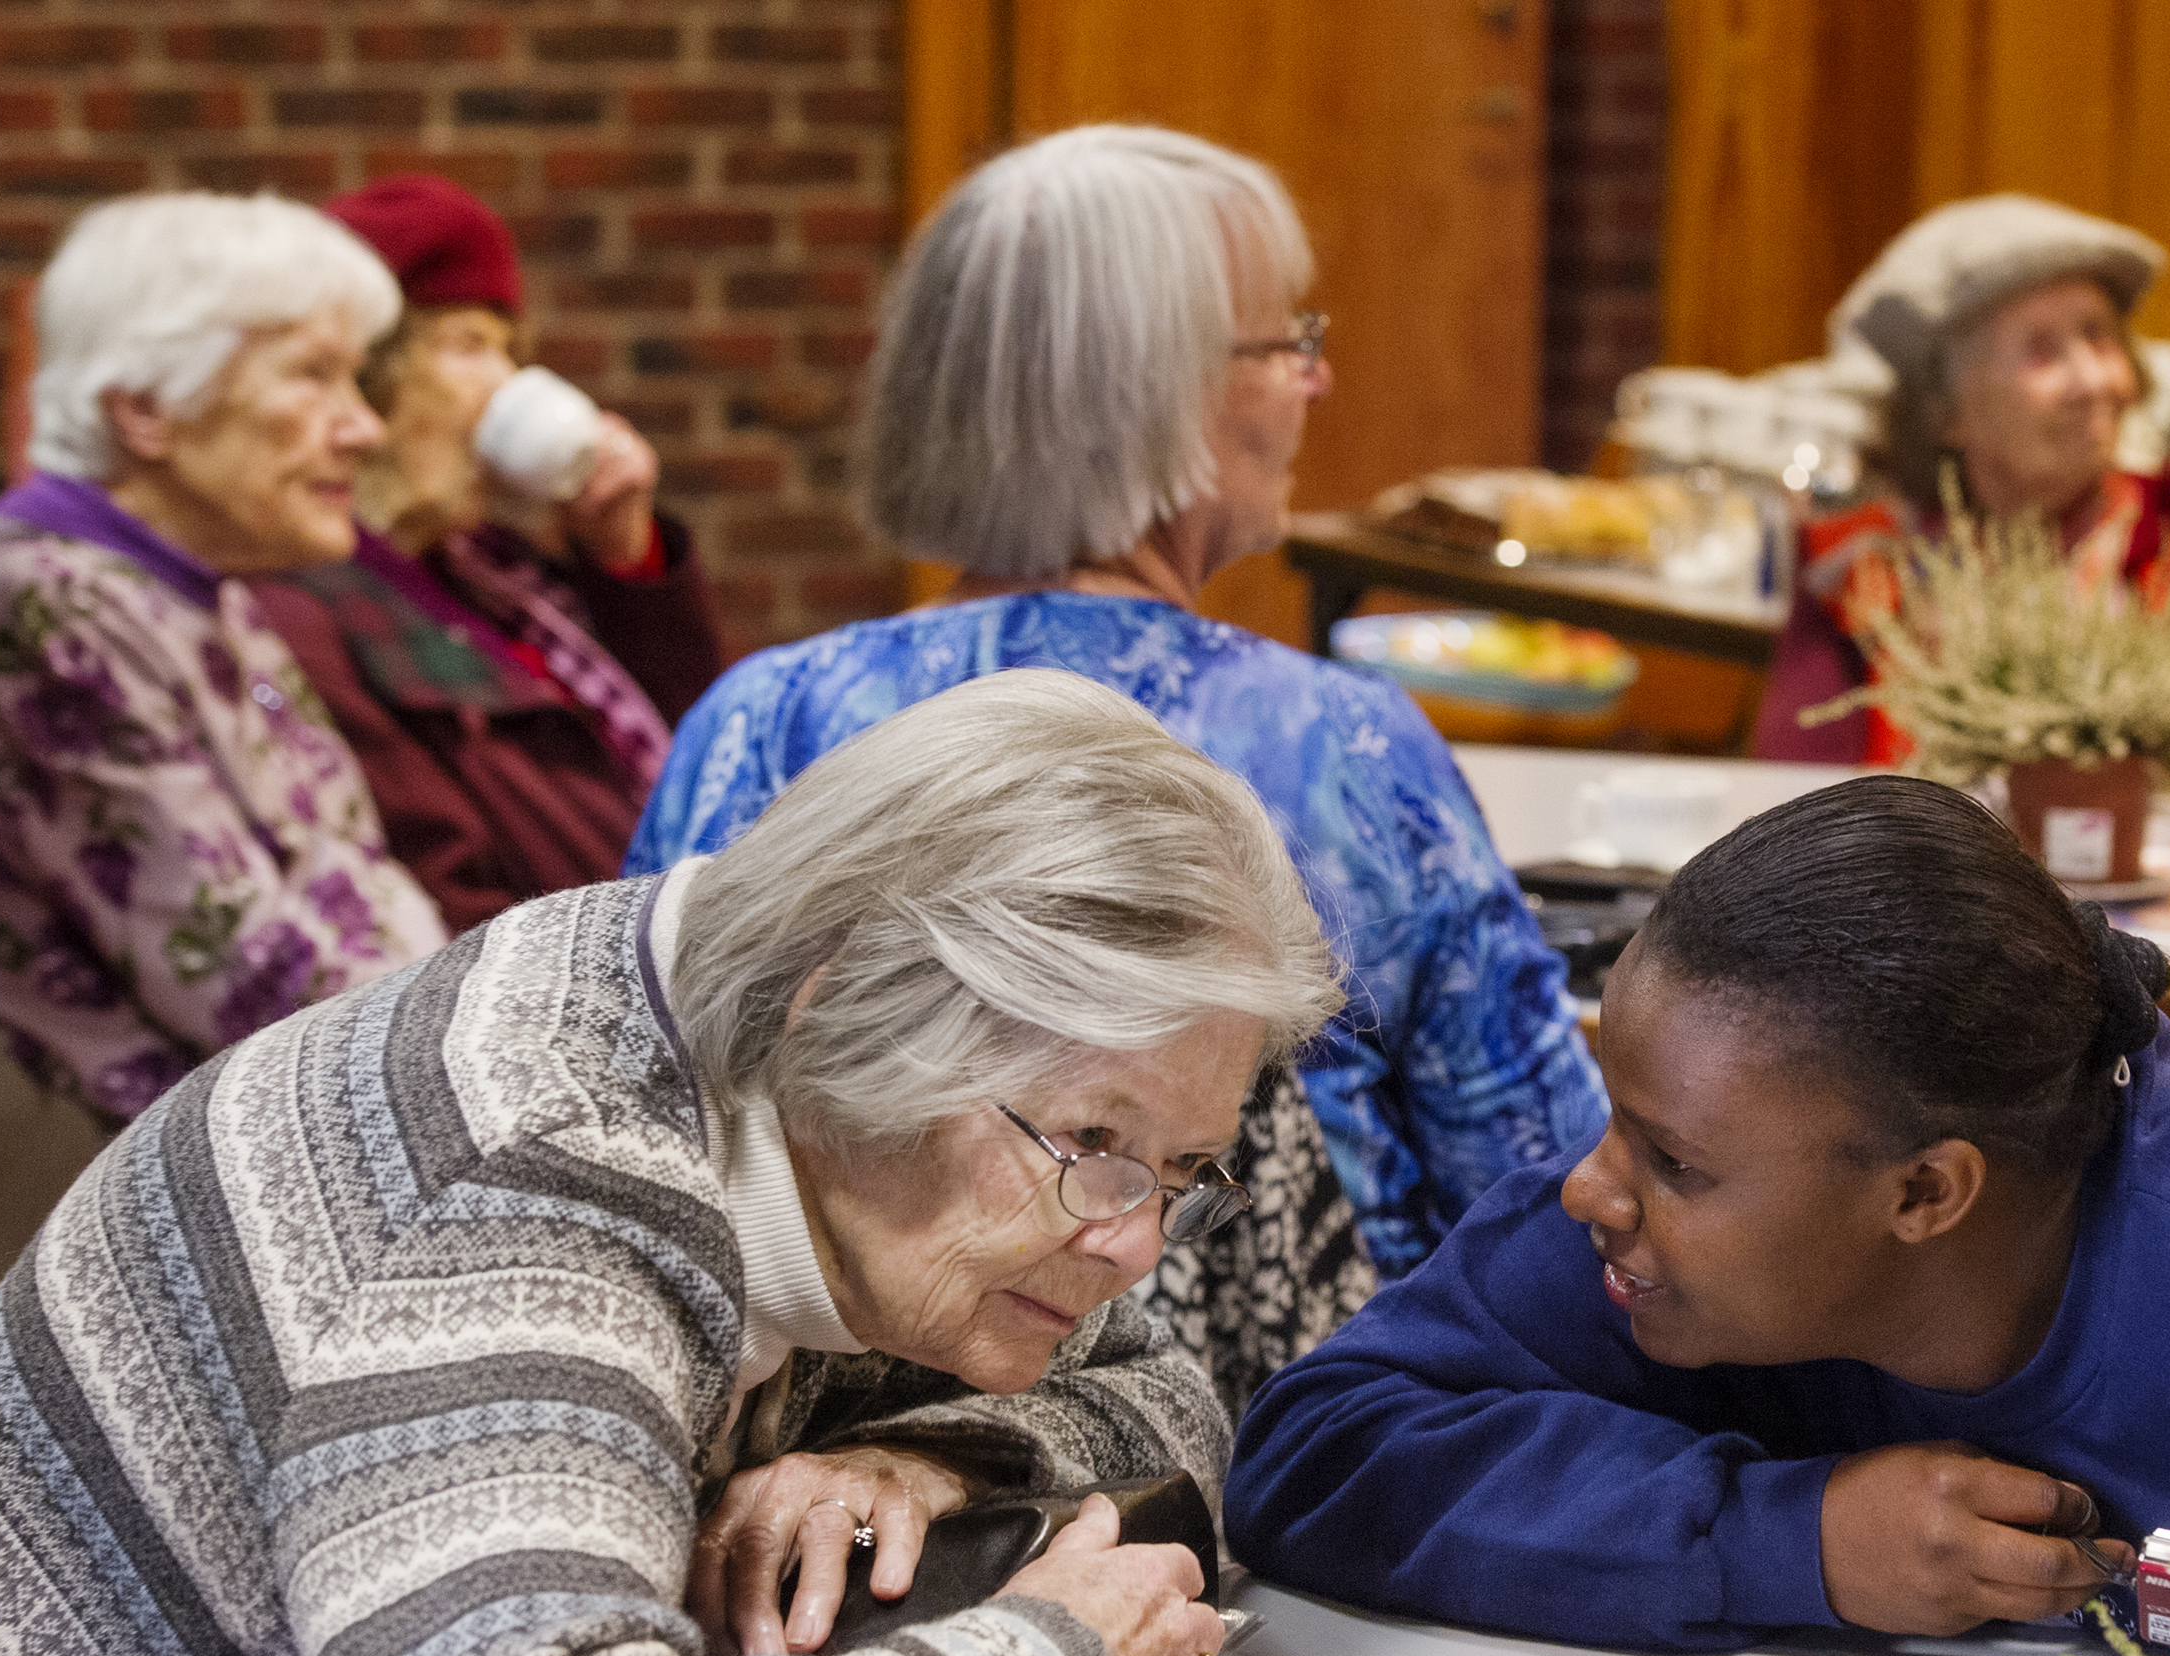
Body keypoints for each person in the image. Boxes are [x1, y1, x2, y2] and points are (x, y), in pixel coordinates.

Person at [0, 669, 1343, 1656]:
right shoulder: (540, 1177)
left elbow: (1170, 1397)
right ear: (846, 1009)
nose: (1134, 1240)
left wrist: (930, 1454)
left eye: (1182, 1169)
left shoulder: (801, 1105)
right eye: (1092, 1141)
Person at [629, 124, 1604, 1405]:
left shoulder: (760, 713)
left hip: (806, 1445)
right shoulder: (1339, 747)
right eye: (1286, 342)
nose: (1315, 380)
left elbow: (658, 1146)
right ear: (1151, 388)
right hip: (1262, 1441)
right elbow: (1550, 1191)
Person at [1226, 775, 2170, 1654]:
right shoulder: (1643, 1251)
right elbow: (1314, 1453)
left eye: (1672, 1160)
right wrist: (1794, 1537)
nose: (1586, 1189)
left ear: (1924, 1192)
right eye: (1614, 1119)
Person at [0, 192, 444, 1126]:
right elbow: (244, 981)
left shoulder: (201, 590)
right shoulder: (45, 602)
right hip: (96, 1173)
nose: (365, 429)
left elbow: (355, 877)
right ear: (146, 409)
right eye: (313, 376)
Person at [246, 174, 727, 934]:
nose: (508, 385)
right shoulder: (315, 603)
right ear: (370, 377)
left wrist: (624, 558)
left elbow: (712, 754)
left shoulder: (497, 575)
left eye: (509, 350)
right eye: (469, 345)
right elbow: (441, 884)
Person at [1756, 194, 2170, 763]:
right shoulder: (1862, 563)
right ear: (1945, 411)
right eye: (2042, 351)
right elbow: (1792, 789)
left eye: (2100, 336)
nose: (2092, 381)